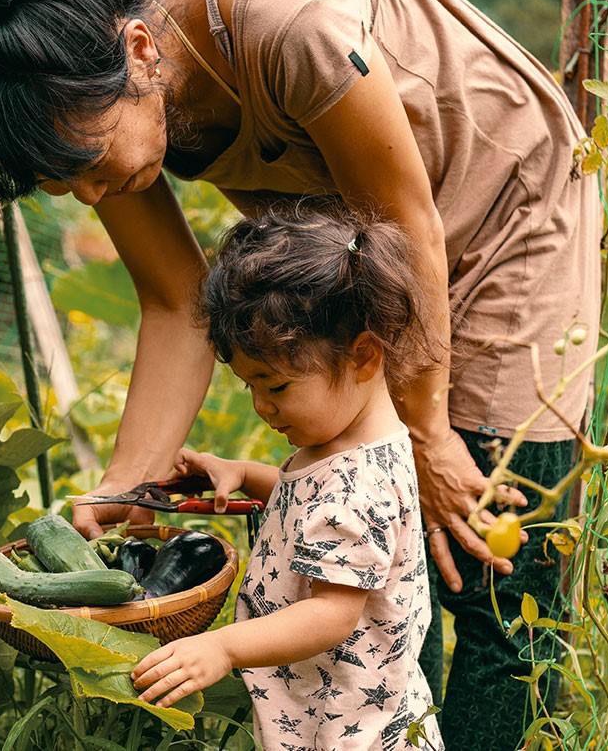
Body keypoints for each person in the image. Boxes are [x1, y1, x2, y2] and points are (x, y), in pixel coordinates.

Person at [0, 0, 601, 747]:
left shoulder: (286, 20)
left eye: (91, 166)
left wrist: (430, 427)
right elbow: (173, 299)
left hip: (500, 206)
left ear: (137, 49)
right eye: (66, 186)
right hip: (360, 248)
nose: (93, 197)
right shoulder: (97, 91)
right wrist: (123, 486)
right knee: (389, 536)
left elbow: (409, 221)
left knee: (491, 577)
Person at [128, 208, 442, 751]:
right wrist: (244, 475)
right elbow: (319, 508)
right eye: (249, 385)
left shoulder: (359, 480)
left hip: (353, 736)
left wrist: (223, 648)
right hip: (331, 714)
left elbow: (331, 613)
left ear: (364, 356)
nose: (260, 407)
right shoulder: (344, 448)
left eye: (275, 386)